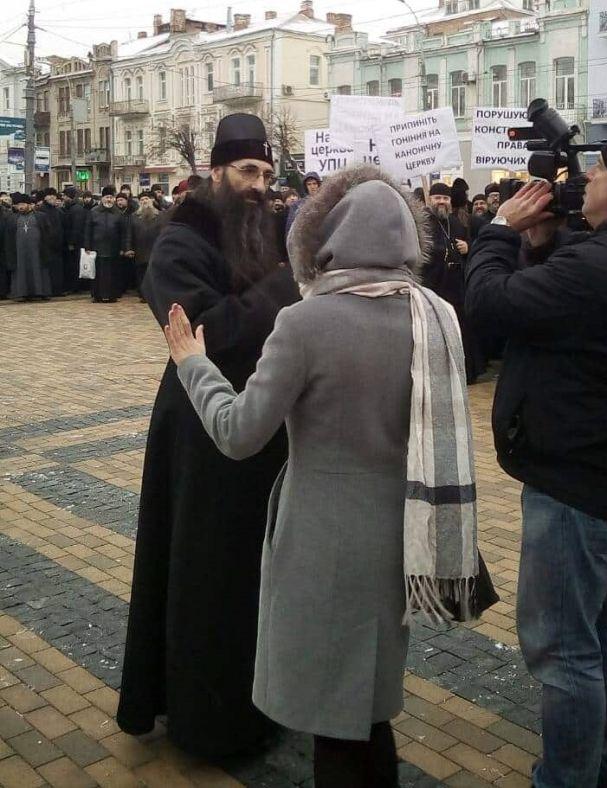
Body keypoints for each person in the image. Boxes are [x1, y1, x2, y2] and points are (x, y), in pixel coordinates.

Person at [162, 165, 495, 788]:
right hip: (402, 530)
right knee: (368, 707)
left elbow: (238, 433)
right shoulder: (436, 315)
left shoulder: (306, 321)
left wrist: (194, 365)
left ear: (331, 238)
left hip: (320, 538)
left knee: (330, 718)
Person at [465, 129, 607, 788]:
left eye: (600, 171)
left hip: (574, 479)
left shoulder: (605, 266)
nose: (588, 181)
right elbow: (582, 284)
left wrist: (497, 229)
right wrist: (543, 240)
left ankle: (567, 779)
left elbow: (490, 305)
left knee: (563, 649)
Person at [117, 113, 300, 762]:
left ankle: (262, 704)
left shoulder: (266, 230)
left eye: (268, 174)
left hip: (263, 428)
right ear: (217, 171)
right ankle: (208, 724)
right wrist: (285, 289)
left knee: (256, 574)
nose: (258, 186)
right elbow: (207, 333)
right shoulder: (177, 242)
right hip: (200, 431)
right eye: (247, 172)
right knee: (207, 576)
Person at [422, 183, 484, 384]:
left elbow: (468, 244)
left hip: (455, 286)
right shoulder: (423, 224)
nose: (441, 202)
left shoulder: (456, 223)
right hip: (433, 285)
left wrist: (468, 247)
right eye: (437, 197)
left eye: (445, 198)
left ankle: (464, 371)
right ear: (429, 200)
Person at [84, 185, 128, 303]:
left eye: (111, 197)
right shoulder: (94, 212)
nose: (109, 200)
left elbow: (123, 232)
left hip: (113, 248)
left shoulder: (118, 213)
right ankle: (97, 295)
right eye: (107, 197)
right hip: (97, 247)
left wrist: (123, 248)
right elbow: (88, 230)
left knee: (113, 273)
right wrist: (87, 246)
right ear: (102, 198)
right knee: (98, 273)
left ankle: (112, 295)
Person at [3, 193, 51, 301]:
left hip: (37, 250)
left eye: (23, 204)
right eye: (19, 204)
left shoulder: (40, 216)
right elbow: (8, 237)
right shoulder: (12, 219)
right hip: (19, 251)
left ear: (29, 204)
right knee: (20, 271)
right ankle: (21, 293)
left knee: (38, 269)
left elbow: (48, 233)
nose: (21, 207)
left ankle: (40, 292)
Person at [126, 191, 164, 300]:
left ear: (151, 200)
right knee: (141, 274)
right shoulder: (134, 216)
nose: (144, 201)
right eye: (142, 200)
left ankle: (154, 294)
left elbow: (164, 232)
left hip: (155, 249)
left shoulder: (160, 215)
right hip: (140, 250)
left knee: (154, 274)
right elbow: (129, 234)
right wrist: (128, 248)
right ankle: (143, 295)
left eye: (146, 199)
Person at [37, 187, 66, 296]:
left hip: (58, 245)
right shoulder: (41, 210)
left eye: (54, 195)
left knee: (58, 269)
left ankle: (58, 289)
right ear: (45, 197)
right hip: (46, 245)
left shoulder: (58, 210)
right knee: (48, 269)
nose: (52, 198)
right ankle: (48, 290)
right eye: (50, 195)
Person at [62, 186, 88, 292]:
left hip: (76, 244)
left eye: (65, 196)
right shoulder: (72, 208)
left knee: (75, 265)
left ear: (70, 197)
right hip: (74, 243)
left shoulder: (76, 209)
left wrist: (72, 242)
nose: (63, 198)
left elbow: (76, 228)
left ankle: (75, 287)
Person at [285, 171, 322, 235]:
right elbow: (290, 227)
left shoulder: (325, 202)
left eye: (314, 183)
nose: (312, 186)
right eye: (309, 184)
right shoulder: (297, 205)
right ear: (305, 186)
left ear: (318, 185)